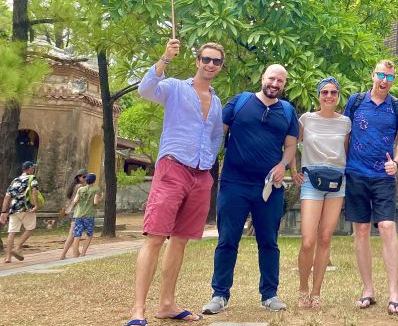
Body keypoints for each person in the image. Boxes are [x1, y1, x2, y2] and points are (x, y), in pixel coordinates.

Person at [126, 39, 226, 326]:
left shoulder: (217, 102)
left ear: (220, 66)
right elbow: (145, 89)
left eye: (216, 61)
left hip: (200, 173)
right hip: (172, 168)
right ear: (197, 61)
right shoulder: (174, 87)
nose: (210, 65)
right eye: (206, 59)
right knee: (156, 237)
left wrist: (207, 163)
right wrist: (164, 59)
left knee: (180, 241)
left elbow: (216, 135)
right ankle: (138, 310)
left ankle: (167, 303)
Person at [202, 64, 299, 315]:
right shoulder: (240, 102)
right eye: (271, 78)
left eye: (280, 81)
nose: (275, 84)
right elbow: (216, 134)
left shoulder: (288, 111)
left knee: (269, 242)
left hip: (268, 187)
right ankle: (219, 294)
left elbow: (290, 147)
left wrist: (283, 165)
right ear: (262, 78)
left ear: (284, 84)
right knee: (227, 240)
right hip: (234, 183)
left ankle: (270, 294)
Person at [343, 60, 398, 315]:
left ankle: (394, 291)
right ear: (373, 75)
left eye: (390, 77)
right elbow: (346, 136)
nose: (384, 81)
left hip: (383, 176)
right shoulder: (356, 101)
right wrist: (347, 163)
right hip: (357, 174)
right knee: (360, 230)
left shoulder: (397, 106)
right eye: (381, 75)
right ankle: (368, 289)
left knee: (387, 226)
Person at [295, 76, 351, 309]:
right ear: (318, 96)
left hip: (337, 181)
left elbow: (346, 152)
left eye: (333, 93)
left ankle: (317, 292)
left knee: (325, 237)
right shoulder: (306, 119)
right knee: (308, 240)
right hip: (311, 180)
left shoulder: (346, 122)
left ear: (338, 96)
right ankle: (303, 288)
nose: (329, 96)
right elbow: (291, 143)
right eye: (325, 92)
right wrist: (293, 169)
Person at [0, 161, 40, 263]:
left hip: (13, 209)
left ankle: (8, 257)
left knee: (11, 232)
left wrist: (3, 211)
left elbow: (7, 196)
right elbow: (34, 192)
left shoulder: (15, 180)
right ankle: (17, 248)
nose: (33, 169)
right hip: (27, 208)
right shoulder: (32, 178)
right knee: (30, 228)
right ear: (29, 168)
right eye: (33, 168)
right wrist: (36, 205)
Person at [69, 173, 102, 257]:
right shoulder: (96, 189)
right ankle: (83, 252)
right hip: (89, 214)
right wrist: (101, 198)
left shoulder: (80, 189)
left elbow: (75, 201)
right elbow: (95, 202)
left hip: (78, 214)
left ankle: (75, 253)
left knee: (77, 234)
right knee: (89, 234)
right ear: (94, 180)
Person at [59, 169, 88, 260]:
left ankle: (67, 254)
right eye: (84, 177)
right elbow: (76, 201)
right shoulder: (80, 187)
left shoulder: (76, 186)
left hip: (73, 212)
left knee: (73, 234)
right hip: (76, 212)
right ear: (79, 177)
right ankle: (67, 254)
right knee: (73, 235)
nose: (86, 178)